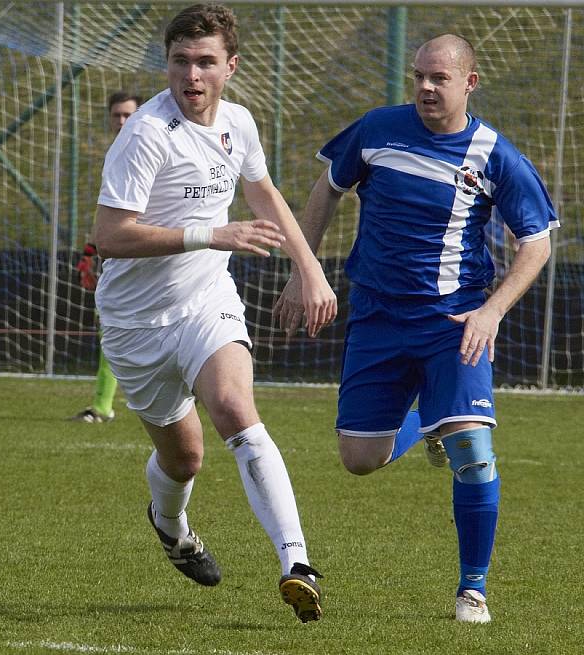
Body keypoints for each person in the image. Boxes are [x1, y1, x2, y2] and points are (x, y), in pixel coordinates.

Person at [274, 34, 557, 623]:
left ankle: (471, 588)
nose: (427, 88)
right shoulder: (378, 128)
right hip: (377, 317)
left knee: (475, 452)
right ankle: (424, 426)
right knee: (359, 459)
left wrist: (492, 310)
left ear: (469, 84)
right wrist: (305, 269)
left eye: (440, 79)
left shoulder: (494, 155)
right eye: (419, 77)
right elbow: (327, 187)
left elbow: (536, 241)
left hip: (453, 322)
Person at [93, 3, 336, 623]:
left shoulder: (239, 123)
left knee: (235, 408)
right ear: (167, 64)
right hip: (135, 323)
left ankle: (297, 564)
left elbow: (263, 193)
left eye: (205, 62)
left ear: (231, 66)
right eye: (180, 61)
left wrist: (308, 268)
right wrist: (211, 234)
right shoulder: (144, 133)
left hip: (207, 301)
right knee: (186, 459)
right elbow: (112, 237)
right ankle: (171, 525)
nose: (191, 75)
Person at [69, 91, 142, 424]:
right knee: (111, 332)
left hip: (159, 255)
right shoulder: (116, 154)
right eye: (117, 116)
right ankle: (102, 406)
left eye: (129, 115)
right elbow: (107, 215)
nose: (122, 121)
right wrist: (89, 251)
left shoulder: (153, 147)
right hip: (122, 258)